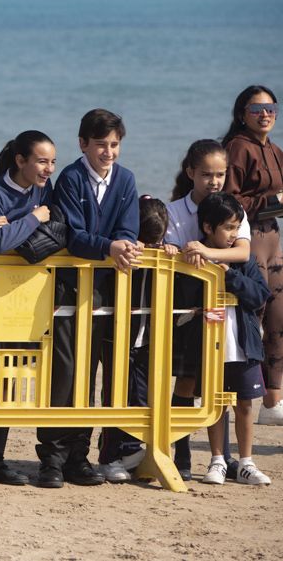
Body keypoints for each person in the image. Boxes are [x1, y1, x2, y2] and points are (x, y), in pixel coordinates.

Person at [37, 109, 141, 488]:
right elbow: (71, 235)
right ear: (83, 144)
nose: (108, 152)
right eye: (101, 144)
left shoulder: (126, 180)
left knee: (96, 373)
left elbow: (129, 229)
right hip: (67, 291)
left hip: (108, 294)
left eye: (114, 145)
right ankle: (52, 457)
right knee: (64, 375)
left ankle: (79, 456)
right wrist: (109, 246)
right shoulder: (70, 178)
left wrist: (119, 245)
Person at [0, 131, 59, 485]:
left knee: (9, 377)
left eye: (52, 161)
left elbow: (53, 231)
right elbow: (1, 241)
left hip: (27, 292)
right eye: (40, 161)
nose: (48, 169)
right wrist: (35, 218)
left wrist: (16, 225)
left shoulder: (46, 190)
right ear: (20, 160)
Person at [165, 139, 253, 480]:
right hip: (187, 307)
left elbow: (242, 252)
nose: (214, 181)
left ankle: (225, 456)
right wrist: (185, 255)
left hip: (223, 311)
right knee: (186, 379)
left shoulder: (234, 210)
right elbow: (170, 254)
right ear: (191, 173)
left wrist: (203, 252)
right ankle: (181, 452)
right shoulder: (175, 211)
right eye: (206, 175)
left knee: (221, 381)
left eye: (220, 174)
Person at [95, 197, 179, 482]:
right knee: (114, 394)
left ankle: (133, 450)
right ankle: (109, 456)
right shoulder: (120, 249)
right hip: (117, 334)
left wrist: (170, 251)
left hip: (147, 335)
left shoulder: (161, 250)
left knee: (141, 395)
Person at [195, 193, 272, 485]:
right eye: (227, 227)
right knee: (215, 403)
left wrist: (228, 275)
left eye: (237, 227)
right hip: (210, 346)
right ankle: (217, 460)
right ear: (207, 227)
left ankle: (246, 462)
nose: (233, 234)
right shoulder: (196, 260)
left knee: (245, 405)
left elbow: (259, 295)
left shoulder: (245, 261)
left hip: (244, 346)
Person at [221, 85, 283, 426]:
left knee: (278, 318)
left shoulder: (275, 149)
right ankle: (237, 397)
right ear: (242, 113)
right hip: (249, 238)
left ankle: (273, 403)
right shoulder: (237, 147)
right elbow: (228, 201)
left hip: (274, 238)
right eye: (257, 108)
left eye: (271, 107)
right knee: (251, 318)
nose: (266, 114)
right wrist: (270, 204)